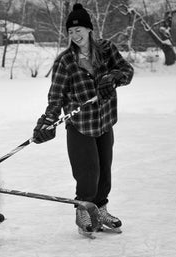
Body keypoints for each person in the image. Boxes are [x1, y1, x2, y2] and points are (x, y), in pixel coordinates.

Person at [32, 4, 134, 237]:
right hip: (80, 125)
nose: (75, 35)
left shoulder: (106, 50)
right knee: (88, 173)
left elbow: (126, 70)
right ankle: (83, 211)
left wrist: (114, 77)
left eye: (79, 30)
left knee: (105, 172)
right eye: (71, 32)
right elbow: (56, 96)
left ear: (89, 29)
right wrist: (47, 121)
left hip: (105, 121)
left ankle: (101, 209)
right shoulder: (65, 61)